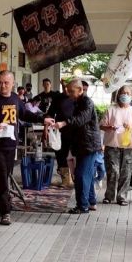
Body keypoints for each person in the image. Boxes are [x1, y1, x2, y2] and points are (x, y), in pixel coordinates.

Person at [0, 70, 43, 226]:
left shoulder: (15, 99)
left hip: (11, 144)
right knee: (1, 177)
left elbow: (24, 114)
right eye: (0, 82)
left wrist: (42, 118)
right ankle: (5, 211)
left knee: (4, 176)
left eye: (6, 83)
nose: (3, 85)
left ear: (13, 84)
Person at [46, 80, 99, 214]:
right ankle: (91, 202)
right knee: (86, 174)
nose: (68, 93)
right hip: (81, 144)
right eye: (67, 90)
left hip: (88, 145)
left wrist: (63, 123)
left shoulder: (87, 102)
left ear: (80, 90)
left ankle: (82, 206)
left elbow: (81, 119)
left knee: (81, 175)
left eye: (71, 91)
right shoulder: (77, 102)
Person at [100, 85, 132, 204]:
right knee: (113, 171)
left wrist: (130, 127)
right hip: (112, 145)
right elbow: (101, 125)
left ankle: (122, 197)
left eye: (128, 93)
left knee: (126, 172)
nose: (125, 95)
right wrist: (110, 127)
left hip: (128, 146)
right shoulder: (111, 109)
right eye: (123, 93)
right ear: (118, 95)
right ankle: (109, 196)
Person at [47, 82, 74, 188]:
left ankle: (75, 178)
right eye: (64, 87)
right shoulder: (58, 98)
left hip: (74, 131)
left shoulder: (77, 98)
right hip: (59, 132)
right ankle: (65, 180)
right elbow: (50, 114)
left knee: (74, 155)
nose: (66, 89)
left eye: (68, 87)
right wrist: (46, 129)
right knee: (61, 154)